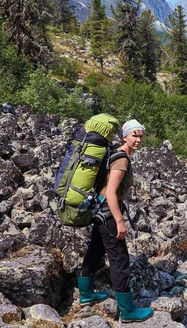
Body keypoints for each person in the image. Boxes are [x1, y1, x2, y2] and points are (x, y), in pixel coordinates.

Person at [78, 119, 154, 323]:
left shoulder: (116, 153)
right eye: (134, 135)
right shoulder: (121, 159)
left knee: (96, 250)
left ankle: (85, 295)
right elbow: (111, 192)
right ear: (125, 136)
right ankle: (128, 312)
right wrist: (120, 222)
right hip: (109, 213)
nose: (138, 139)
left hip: (100, 210)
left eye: (140, 135)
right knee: (120, 260)